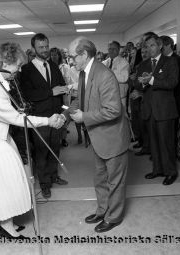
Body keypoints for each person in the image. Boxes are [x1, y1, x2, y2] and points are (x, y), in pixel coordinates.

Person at [0, 42, 64, 239]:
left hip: (0, 137)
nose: (20, 69)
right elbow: (15, 118)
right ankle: (6, 226)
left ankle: (7, 222)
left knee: (8, 181)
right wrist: (47, 120)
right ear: (5, 63)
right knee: (3, 184)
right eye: (18, 66)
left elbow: (12, 111)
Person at [64, 36, 130, 233]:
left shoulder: (104, 74)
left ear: (84, 54)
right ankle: (102, 210)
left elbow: (113, 110)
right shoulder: (85, 72)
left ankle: (114, 216)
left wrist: (84, 117)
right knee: (100, 178)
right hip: (98, 137)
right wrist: (65, 114)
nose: (70, 61)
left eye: (72, 57)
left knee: (115, 181)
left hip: (112, 138)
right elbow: (81, 100)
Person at [21, 33, 69, 199]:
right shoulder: (26, 70)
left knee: (55, 148)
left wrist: (64, 109)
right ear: (34, 48)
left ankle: (54, 175)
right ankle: (44, 183)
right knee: (41, 152)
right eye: (41, 47)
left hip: (56, 116)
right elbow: (27, 94)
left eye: (46, 46)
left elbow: (61, 87)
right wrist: (50, 91)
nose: (45, 50)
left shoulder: (54, 66)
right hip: (39, 119)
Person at [134, 34, 179, 185]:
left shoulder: (170, 61)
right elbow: (138, 85)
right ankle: (157, 169)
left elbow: (172, 83)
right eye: (147, 46)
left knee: (166, 143)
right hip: (149, 109)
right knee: (154, 143)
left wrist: (151, 80)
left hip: (165, 110)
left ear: (160, 45)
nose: (149, 49)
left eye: (152, 45)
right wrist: (142, 83)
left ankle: (170, 172)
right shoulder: (143, 64)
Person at [102, 41, 130, 111]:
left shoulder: (124, 63)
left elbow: (124, 78)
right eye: (109, 49)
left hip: (120, 96)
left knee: (121, 117)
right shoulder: (104, 63)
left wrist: (109, 73)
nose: (111, 51)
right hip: (107, 95)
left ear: (118, 50)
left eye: (113, 49)